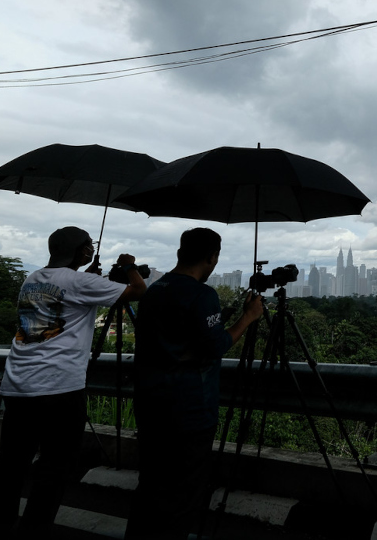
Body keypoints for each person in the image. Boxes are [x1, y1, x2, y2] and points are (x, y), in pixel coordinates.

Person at [0, 226, 146, 539]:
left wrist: (95, 277)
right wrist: (129, 267)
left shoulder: (33, 278)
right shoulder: (81, 281)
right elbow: (137, 291)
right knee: (55, 466)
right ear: (81, 251)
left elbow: (62, 306)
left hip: (18, 384)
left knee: (12, 463)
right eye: (89, 246)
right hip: (59, 388)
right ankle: (35, 529)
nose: (90, 250)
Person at [125, 227, 263, 540]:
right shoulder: (202, 295)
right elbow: (214, 346)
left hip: (150, 403)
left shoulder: (154, 290)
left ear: (180, 252)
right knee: (183, 494)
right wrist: (248, 318)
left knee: (151, 487)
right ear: (211, 257)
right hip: (188, 410)